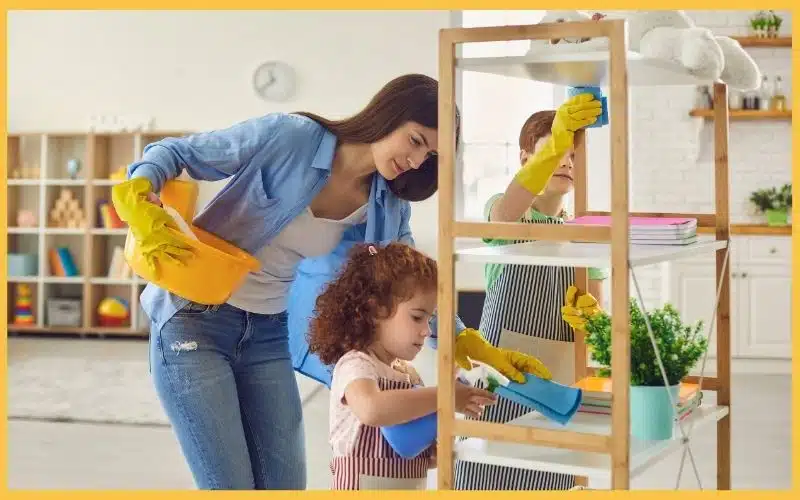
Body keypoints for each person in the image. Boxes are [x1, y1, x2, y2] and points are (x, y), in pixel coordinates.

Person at [112, 74, 578, 490]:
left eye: (429, 154)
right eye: (415, 141)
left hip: (267, 335)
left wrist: (470, 342)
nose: (416, 162)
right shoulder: (292, 138)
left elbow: (412, 280)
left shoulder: (386, 207)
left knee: (283, 484)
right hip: (194, 323)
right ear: (387, 116)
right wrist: (139, 192)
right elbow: (175, 153)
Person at [453, 102, 606, 491]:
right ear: (526, 158)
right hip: (501, 370)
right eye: (553, 150)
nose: (565, 162)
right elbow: (504, 216)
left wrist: (594, 317)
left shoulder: (583, 232)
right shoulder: (507, 211)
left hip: (557, 376)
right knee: (484, 465)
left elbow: (600, 313)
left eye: (572, 155)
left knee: (549, 470)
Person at [308, 242, 497, 490]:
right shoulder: (357, 364)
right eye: (417, 317)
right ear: (376, 309)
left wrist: (437, 443)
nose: (427, 330)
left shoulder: (409, 376)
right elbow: (372, 409)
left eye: (429, 319)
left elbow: (416, 453)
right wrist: (445, 395)